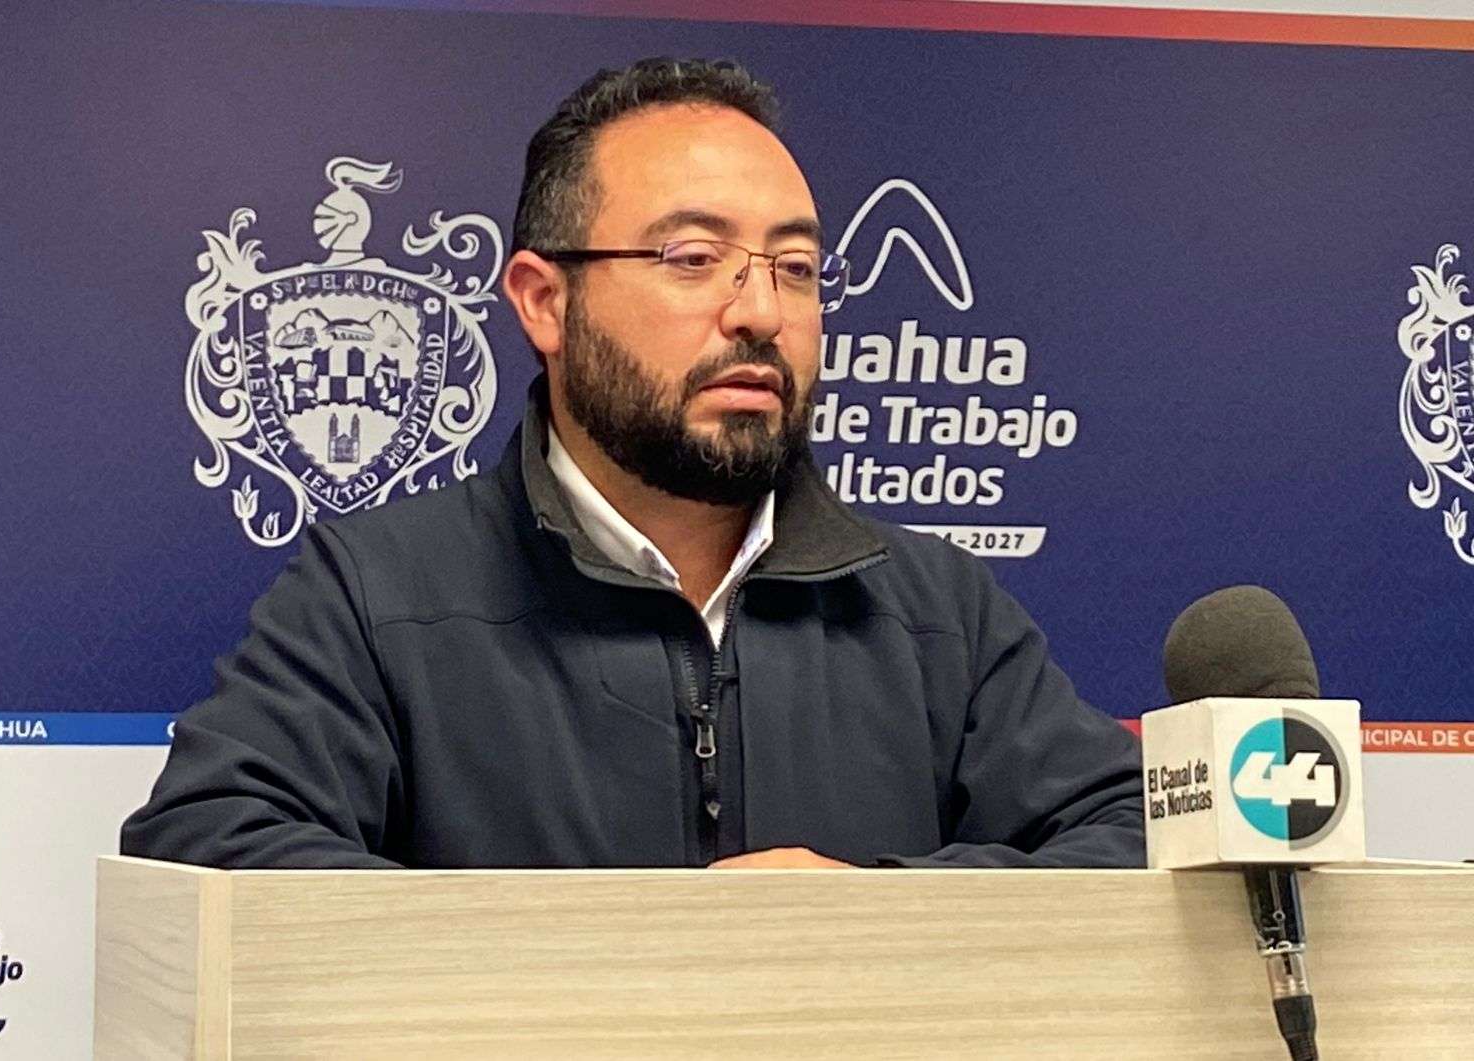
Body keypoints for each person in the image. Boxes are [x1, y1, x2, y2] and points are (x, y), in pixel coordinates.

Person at [121, 58, 1144, 870]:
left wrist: (874, 914)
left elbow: (1133, 835)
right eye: (693, 259)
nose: (760, 311)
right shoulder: (377, 593)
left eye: (795, 268)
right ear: (543, 301)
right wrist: (617, 964)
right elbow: (212, 843)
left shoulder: (933, 608)